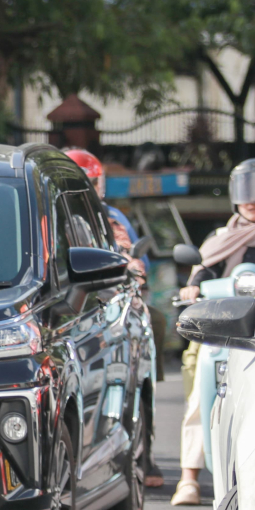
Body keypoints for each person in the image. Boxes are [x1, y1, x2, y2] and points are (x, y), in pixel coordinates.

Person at [171, 158, 255, 506]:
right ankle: (189, 477)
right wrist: (194, 289)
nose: (252, 201)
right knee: (197, 398)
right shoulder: (220, 239)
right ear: (235, 197)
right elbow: (199, 272)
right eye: (245, 192)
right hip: (221, 333)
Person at [65, 148, 167, 487]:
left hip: (110, 300)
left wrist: (132, 271)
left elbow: (131, 255)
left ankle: (145, 452)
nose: (87, 190)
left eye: (91, 183)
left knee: (150, 335)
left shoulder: (111, 218)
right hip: (68, 305)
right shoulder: (51, 217)